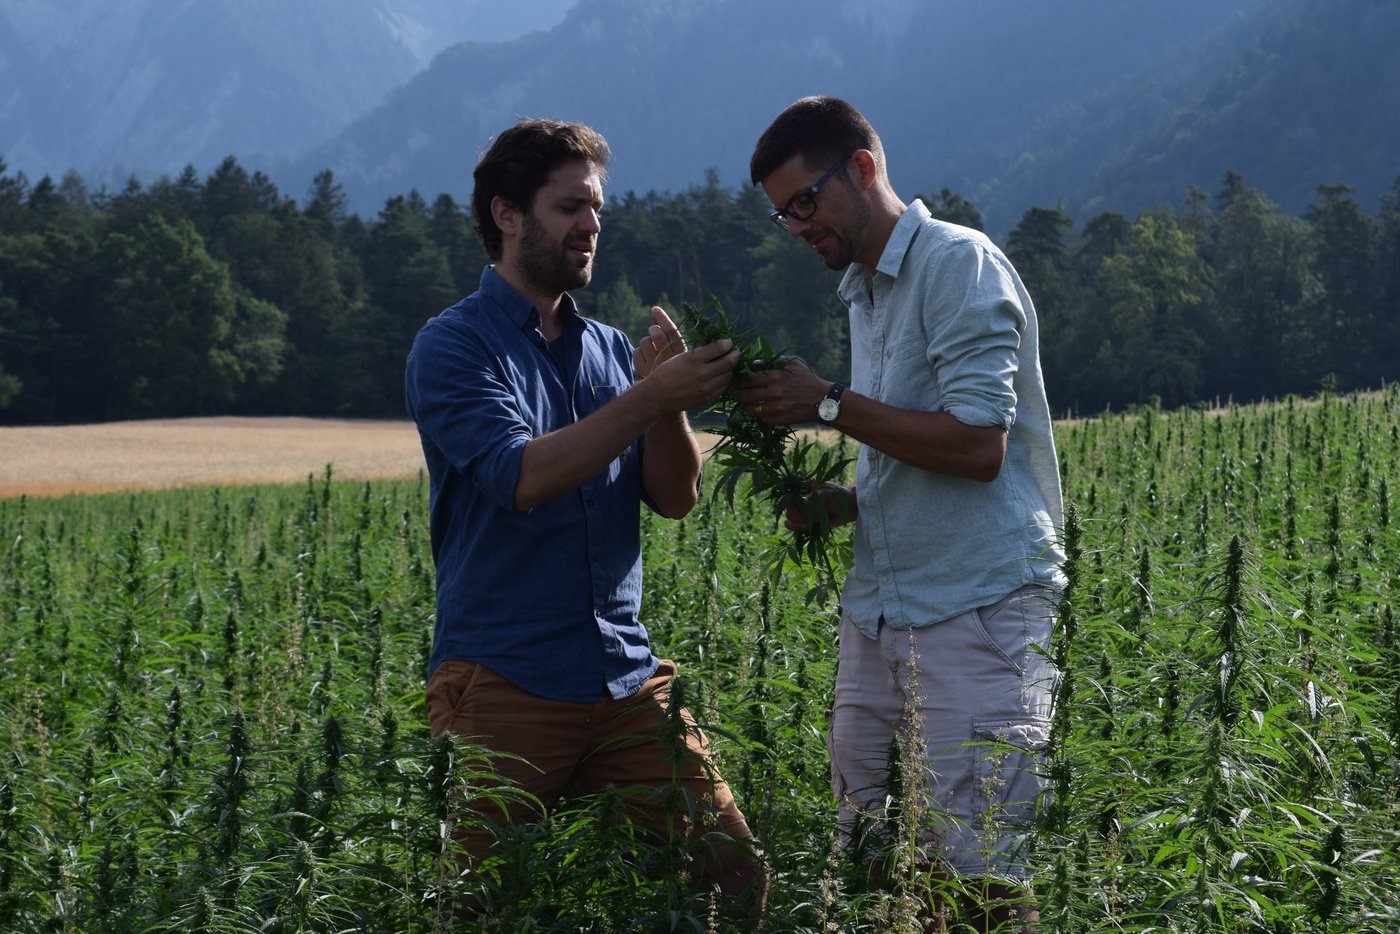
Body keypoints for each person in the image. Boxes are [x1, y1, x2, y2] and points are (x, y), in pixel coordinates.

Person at [403, 117, 765, 917]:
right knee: (467, 907)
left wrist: (663, 404)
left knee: (734, 877)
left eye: (597, 209)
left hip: (625, 679)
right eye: (570, 207)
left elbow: (676, 498)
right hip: (503, 679)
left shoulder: (607, 349)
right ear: (507, 214)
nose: (591, 225)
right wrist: (651, 397)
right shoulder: (455, 348)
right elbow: (522, 476)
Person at [735, 96, 1065, 932]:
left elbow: (977, 446)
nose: (797, 227)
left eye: (804, 203)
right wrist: (844, 502)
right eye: (782, 215)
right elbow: (916, 454)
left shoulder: (959, 264)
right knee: (873, 849)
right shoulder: (865, 291)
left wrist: (830, 405)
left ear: (863, 168)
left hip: (978, 607)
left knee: (981, 870)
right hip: (884, 610)